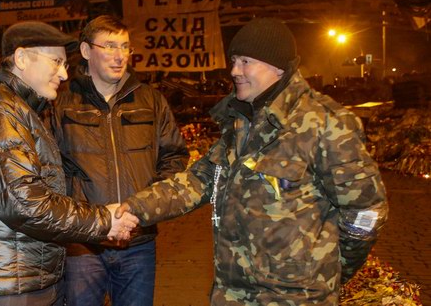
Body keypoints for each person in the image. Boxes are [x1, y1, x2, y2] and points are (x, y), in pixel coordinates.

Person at [117, 18, 388, 305]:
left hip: (296, 298)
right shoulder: (241, 123)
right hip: (233, 294)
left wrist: (332, 268)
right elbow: (197, 181)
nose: (235, 71)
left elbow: (366, 212)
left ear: (278, 67)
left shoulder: (326, 124)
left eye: (246, 61)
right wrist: (136, 207)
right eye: (234, 61)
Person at [0, 21, 138, 306]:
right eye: (57, 62)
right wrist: (103, 220)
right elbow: (24, 203)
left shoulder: (20, 112)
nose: (64, 73)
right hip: (9, 289)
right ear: (22, 58)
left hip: (24, 280)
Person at [51, 15, 189, 306]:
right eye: (110, 46)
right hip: (82, 247)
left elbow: (174, 157)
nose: (120, 56)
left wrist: (146, 207)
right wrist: (81, 220)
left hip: (138, 243)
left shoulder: (151, 101)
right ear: (87, 51)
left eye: (125, 47)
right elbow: (50, 171)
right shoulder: (60, 104)